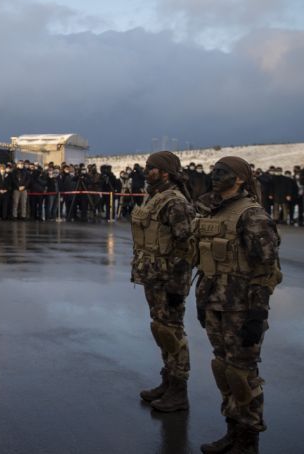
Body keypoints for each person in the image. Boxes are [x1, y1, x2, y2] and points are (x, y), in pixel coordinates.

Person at [194, 156, 281, 454]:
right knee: (224, 369)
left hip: (241, 308)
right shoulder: (214, 211)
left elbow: (266, 269)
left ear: (240, 179)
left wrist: (258, 313)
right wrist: (201, 300)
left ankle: (248, 439)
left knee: (243, 374)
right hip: (215, 303)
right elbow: (204, 261)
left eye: (223, 172)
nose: (215, 175)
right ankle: (233, 430)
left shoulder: (252, 215)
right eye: (214, 170)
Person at [131, 151, 195, 413]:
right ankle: (168, 381)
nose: (147, 171)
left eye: (151, 168)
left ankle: (179, 391)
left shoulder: (175, 202)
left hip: (169, 280)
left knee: (172, 333)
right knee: (161, 330)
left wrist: (178, 289)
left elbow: (186, 248)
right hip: (153, 276)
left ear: (165, 172)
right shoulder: (155, 197)